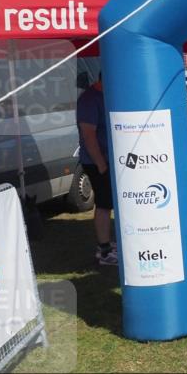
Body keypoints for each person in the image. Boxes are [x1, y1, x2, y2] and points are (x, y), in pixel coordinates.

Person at [76, 74, 116, 266]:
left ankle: (108, 244)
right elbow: (88, 135)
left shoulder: (109, 94)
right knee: (104, 203)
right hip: (97, 162)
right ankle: (104, 250)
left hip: (111, 160)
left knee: (109, 203)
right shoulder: (89, 99)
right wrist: (101, 164)